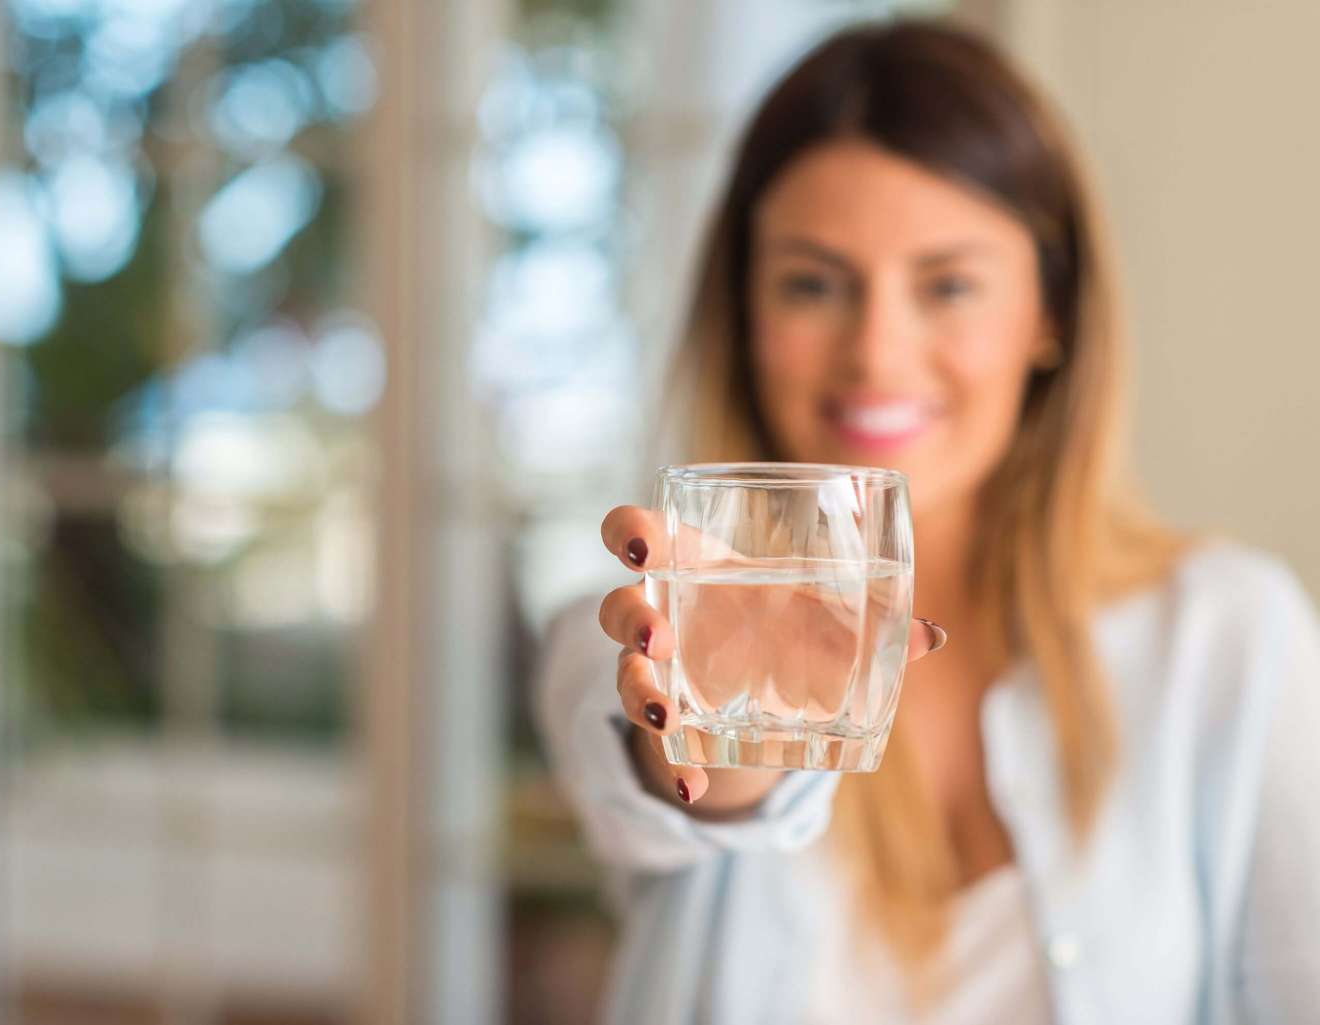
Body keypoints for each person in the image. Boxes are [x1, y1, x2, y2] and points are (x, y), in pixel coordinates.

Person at [533, 18, 1320, 1025]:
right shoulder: (631, 627)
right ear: (743, 309)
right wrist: (721, 747)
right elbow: (650, 790)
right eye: (812, 283)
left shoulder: (1229, 637)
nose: (876, 353)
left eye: (947, 285)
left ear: (1051, 313)